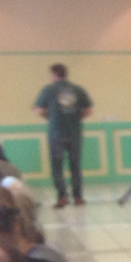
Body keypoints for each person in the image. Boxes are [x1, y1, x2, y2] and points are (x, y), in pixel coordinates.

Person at [32, 63, 92, 209]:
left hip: (56, 133)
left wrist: (50, 117)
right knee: (75, 165)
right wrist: (75, 118)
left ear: (54, 75)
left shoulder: (48, 89)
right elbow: (88, 111)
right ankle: (78, 197)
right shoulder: (78, 89)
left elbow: (39, 110)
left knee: (57, 166)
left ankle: (62, 197)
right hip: (75, 133)